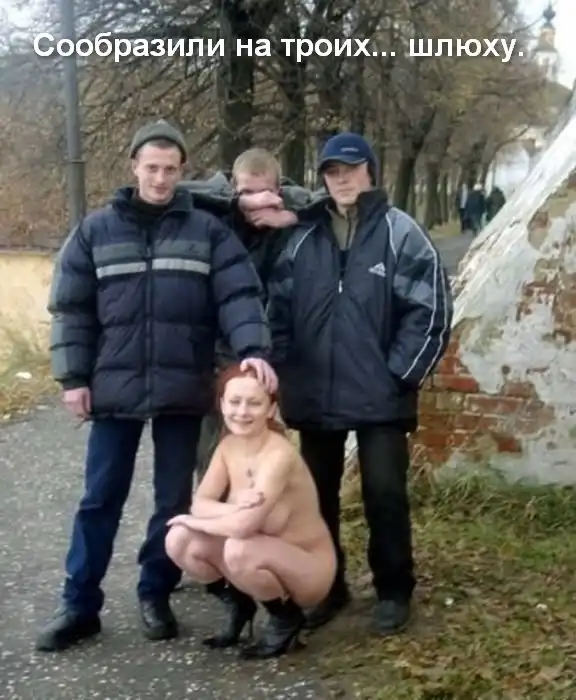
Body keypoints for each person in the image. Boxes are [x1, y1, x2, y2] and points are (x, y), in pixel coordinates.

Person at [36, 119, 277, 652]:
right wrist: (73, 378)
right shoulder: (95, 231)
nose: (161, 178)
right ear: (134, 167)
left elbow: (239, 296)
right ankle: (79, 605)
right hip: (113, 387)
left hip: (181, 384)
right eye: (152, 168)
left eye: (170, 169)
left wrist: (253, 350)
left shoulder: (207, 232)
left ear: (182, 170)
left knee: (173, 500)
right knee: (100, 498)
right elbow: (72, 309)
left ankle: (156, 592)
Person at [267, 131, 454, 635]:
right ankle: (327, 586)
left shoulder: (401, 233)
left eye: (350, 169)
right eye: (332, 171)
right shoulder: (301, 238)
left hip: (380, 395)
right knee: (316, 498)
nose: (342, 179)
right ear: (323, 179)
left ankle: (393, 589)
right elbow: (276, 309)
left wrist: (400, 374)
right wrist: (284, 370)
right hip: (315, 392)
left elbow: (430, 308)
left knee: (384, 494)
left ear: (370, 171)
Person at [165, 364, 336, 659]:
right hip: (257, 549)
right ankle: (238, 604)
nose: (242, 412)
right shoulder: (228, 446)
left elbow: (242, 527)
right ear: (222, 404)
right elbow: (201, 502)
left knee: (238, 548)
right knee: (178, 538)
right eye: (234, 402)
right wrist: (229, 509)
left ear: (271, 409)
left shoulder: (278, 455)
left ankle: (285, 617)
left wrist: (198, 520)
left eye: (254, 403)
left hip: (307, 567)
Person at [181, 149, 312, 480]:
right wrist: (236, 204)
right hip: (220, 352)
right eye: (247, 193)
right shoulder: (216, 217)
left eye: (265, 193)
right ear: (231, 189)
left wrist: (294, 217)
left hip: (281, 352)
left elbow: (333, 202)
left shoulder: (291, 222)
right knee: (213, 454)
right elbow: (176, 192)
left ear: (279, 191)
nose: (257, 203)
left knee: (266, 456)